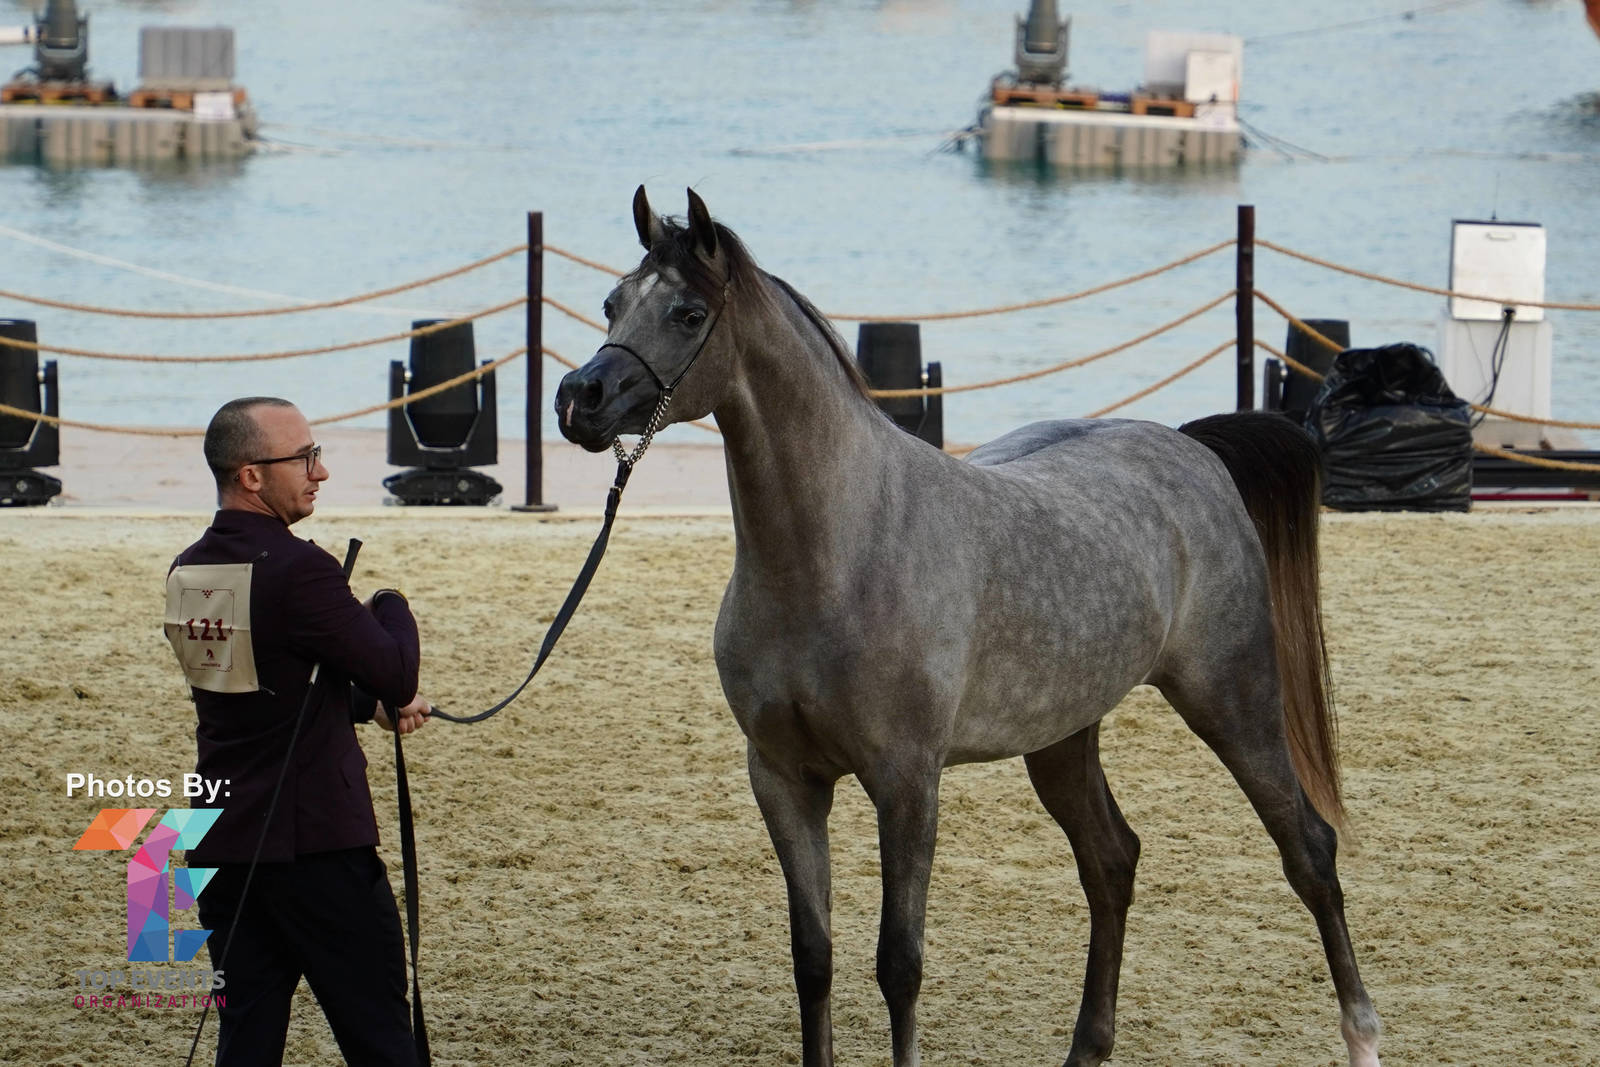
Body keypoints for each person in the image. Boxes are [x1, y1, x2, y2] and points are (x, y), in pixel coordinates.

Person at [164, 396, 430, 1066]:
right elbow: (397, 670)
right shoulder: (300, 567)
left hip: (224, 843)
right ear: (252, 475)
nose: (321, 471)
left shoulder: (189, 569)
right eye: (305, 457)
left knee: (247, 1042)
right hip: (317, 848)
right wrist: (388, 601)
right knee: (383, 1041)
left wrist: (357, 702)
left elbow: (262, 692)